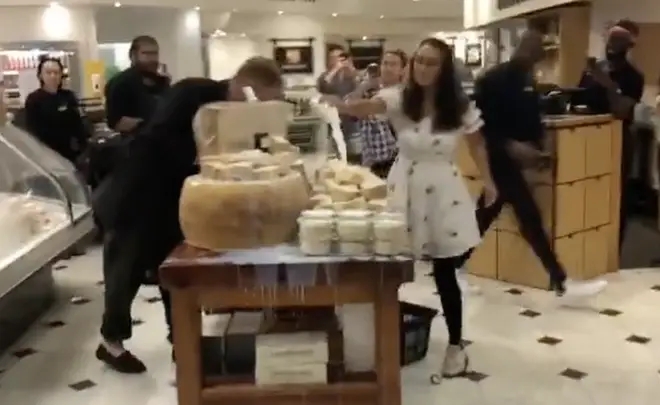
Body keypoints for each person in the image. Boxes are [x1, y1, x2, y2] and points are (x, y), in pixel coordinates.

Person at [92, 57, 284, 374]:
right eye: (260, 98)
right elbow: (159, 140)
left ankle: (181, 341)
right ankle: (110, 341)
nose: (258, 108)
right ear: (245, 85)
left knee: (175, 272)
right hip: (138, 194)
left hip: (175, 199)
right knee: (126, 270)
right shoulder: (193, 92)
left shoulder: (236, 113)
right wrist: (208, 162)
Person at [322, 38, 497, 380]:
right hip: (406, 185)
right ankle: (379, 339)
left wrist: (489, 181)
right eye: (419, 61)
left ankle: (456, 346)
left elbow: (477, 145)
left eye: (431, 63)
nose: (423, 68)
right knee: (391, 265)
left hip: (444, 188)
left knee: (446, 271)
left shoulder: (459, 106)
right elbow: (364, 108)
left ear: (444, 68)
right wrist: (344, 98)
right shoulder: (399, 97)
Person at [460, 29, 608, 298]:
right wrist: (510, 146)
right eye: (536, 45)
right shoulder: (493, 80)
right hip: (499, 158)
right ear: (523, 46)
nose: (539, 51)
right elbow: (480, 126)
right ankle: (561, 282)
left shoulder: (528, 78)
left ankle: (452, 269)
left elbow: (529, 118)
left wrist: (537, 150)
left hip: (515, 161)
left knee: (488, 216)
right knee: (527, 218)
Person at [574, 21, 644, 248]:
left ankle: (612, 248)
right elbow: (578, 100)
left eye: (618, 41)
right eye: (610, 39)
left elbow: (622, 110)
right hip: (589, 140)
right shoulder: (594, 69)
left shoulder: (633, 76)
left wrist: (609, 86)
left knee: (615, 198)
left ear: (628, 45)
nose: (611, 45)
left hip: (618, 142)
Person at [348, 50, 407, 178]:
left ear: (402, 70)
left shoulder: (397, 94)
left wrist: (363, 87)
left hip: (390, 162)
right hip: (372, 160)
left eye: (393, 64)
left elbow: (354, 108)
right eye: (385, 63)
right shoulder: (377, 91)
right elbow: (356, 116)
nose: (388, 68)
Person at [24, 57, 88, 165]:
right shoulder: (34, 99)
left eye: (56, 73)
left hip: (70, 154)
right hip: (46, 155)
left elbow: (78, 124)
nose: (53, 76)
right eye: (48, 73)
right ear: (40, 75)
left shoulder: (68, 96)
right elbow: (32, 131)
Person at [104, 35, 170, 138]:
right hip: (135, 146)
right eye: (146, 54)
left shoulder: (162, 82)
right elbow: (116, 122)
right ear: (133, 56)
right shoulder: (120, 83)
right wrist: (149, 123)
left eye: (155, 53)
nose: (152, 59)